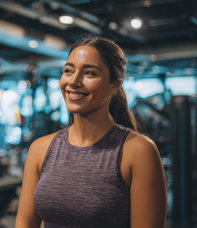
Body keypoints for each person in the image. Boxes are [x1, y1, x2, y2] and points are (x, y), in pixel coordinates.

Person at [15, 37, 166, 228]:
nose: (74, 81)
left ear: (114, 84)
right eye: (68, 71)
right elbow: (24, 223)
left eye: (89, 73)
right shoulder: (40, 149)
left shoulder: (138, 151)